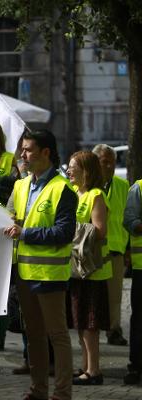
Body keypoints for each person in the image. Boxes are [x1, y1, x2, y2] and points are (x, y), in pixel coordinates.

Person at [3, 130, 76, 400]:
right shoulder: (21, 185)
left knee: (57, 336)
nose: (23, 154)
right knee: (33, 336)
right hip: (24, 273)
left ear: (47, 152)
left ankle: (62, 399)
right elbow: (7, 217)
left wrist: (26, 233)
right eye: (22, 149)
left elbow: (64, 232)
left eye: (29, 150)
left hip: (49, 275)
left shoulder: (62, 188)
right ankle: (38, 394)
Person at [65, 151, 111, 386]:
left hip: (92, 271)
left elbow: (100, 231)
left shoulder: (95, 195)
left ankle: (94, 371)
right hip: (76, 269)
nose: (69, 171)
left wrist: (70, 230)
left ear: (87, 171)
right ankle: (85, 367)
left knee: (90, 324)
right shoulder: (73, 193)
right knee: (81, 322)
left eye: (73, 167)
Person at [92, 144, 129, 346]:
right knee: (94, 295)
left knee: (114, 296)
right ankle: (92, 329)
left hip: (115, 249)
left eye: (112, 163)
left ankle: (114, 330)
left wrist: (128, 248)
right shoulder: (85, 185)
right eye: (104, 162)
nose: (109, 166)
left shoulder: (123, 186)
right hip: (93, 250)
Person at [123, 174, 142, 385]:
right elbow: (129, 221)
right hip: (141, 268)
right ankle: (136, 367)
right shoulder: (139, 188)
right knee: (139, 320)